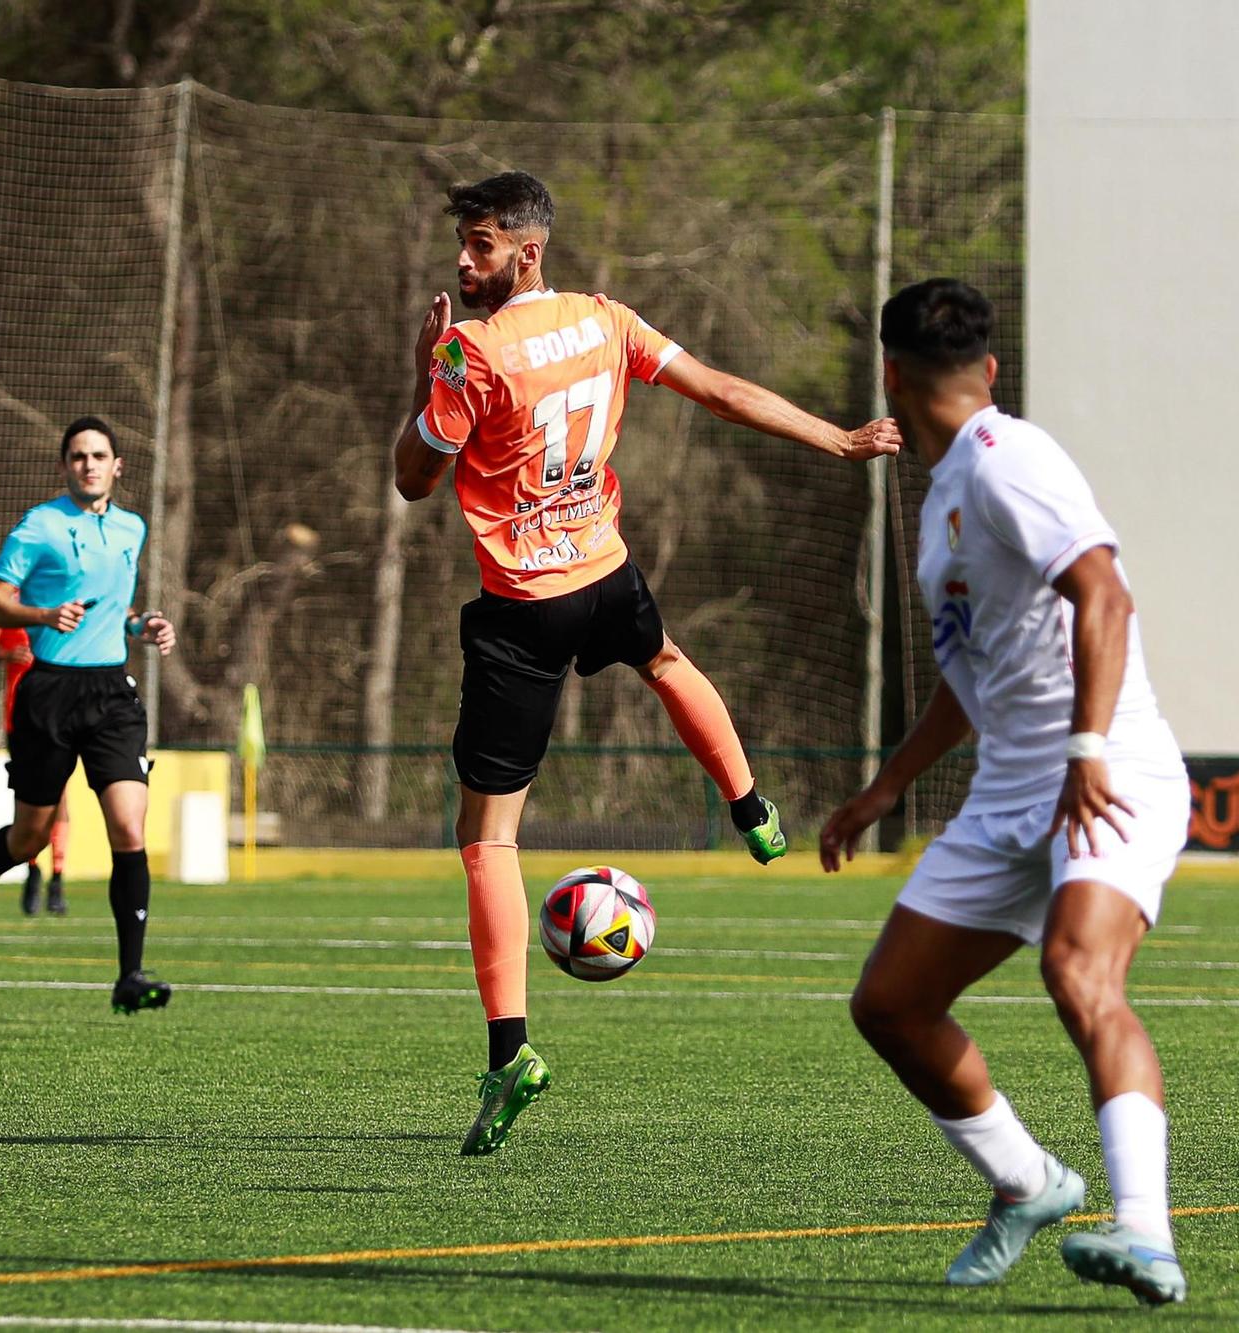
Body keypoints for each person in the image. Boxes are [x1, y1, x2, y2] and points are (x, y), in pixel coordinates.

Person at [392, 170, 901, 1156]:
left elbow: (414, 481)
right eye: (463, 241)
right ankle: (750, 806)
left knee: (487, 838)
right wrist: (834, 437)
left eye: (482, 244)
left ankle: (509, 1053)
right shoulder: (602, 319)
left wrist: (427, 382)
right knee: (664, 657)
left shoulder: (472, 351)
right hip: (605, 569)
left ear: (526, 250)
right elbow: (719, 389)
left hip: (524, 609)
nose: (464, 260)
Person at [820, 279, 1190, 1304]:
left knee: (1078, 974)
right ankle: (1027, 1182)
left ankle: (1146, 1233)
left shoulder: (1006, 460)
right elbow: (968, 679)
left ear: (888, 377)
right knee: (891, 1005)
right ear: (984, 366)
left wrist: (1084, 746)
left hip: (1106, 773)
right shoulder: (942, 496)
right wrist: (881, 790)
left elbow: (1102, 590)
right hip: (1014, 785)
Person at [0, 416, 178, 1015]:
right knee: (30, 836)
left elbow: (112, 611)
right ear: (65, 466)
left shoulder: (131, 529)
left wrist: (144, 627)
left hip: (111, 693)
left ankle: (129, 974)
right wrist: (42, 617)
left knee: (128, 826)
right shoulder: (38, 526)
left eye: (98, 455)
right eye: (77, 457)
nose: (88, 465)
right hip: (48, 692)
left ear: (118, 465)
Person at [0, 621, 71, 916]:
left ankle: (58, 878)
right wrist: (6, 653)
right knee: (31, 802)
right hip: (22, 721)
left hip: (62, 717)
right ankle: (34, 871)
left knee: (60, 799)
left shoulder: (64, 599)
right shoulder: (8, 603)